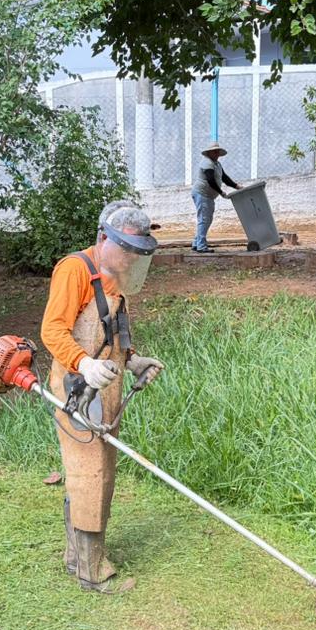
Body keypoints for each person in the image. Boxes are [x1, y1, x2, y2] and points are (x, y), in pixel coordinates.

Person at [41, 202, 165, 592]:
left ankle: (75, 556)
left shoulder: (116, 279)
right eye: (126, 249)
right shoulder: (75, 270)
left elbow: (111, 335)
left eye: (137, 252)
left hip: (106, 388)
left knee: (95, 473)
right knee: (91, 474)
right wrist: (83, 364)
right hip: (77, 391)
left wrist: (133, 361)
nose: (131, 258)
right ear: (102, 239)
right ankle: (91, 573)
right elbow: (52, 330)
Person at [191, 141, 241, 253]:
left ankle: (196, 243)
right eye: (214, 152)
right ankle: (201, 246)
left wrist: (237, 186)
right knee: (204, 219)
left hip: (207, 195)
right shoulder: (207, 163)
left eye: (217, 152)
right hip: (202, 193)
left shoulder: (217, 164)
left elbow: (224, 178)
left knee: (205, 220)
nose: (216, 154)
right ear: (209, 153)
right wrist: (221, 192)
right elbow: (210, 180)